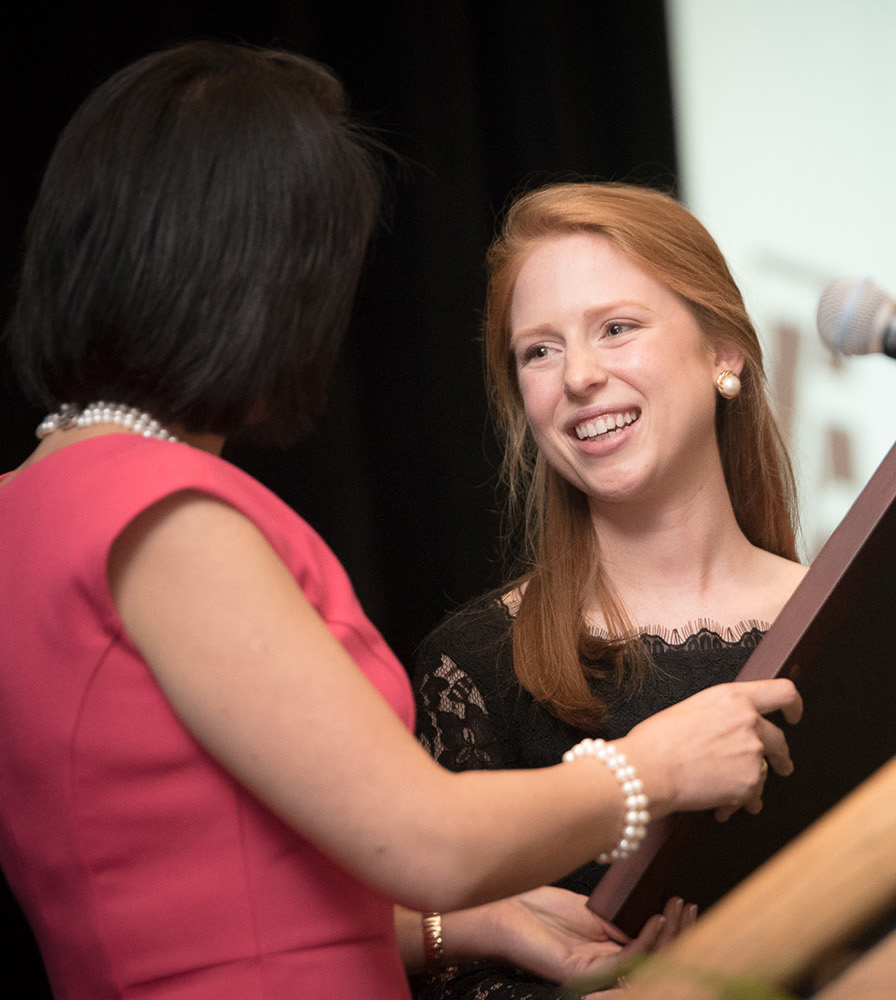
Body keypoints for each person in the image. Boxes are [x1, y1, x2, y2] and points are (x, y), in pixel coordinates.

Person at [0, 42, 800, 1000]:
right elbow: (420, 838)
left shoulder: (35, 503)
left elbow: (199, 886)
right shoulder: (164, 517)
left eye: (617, 327)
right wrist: (649, 770)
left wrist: (469, 925)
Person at [407, 181, 808, 1000]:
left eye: (616, 329)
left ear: (724, 351)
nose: (579, 376)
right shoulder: (476, 665)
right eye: (540, 351)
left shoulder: (857, 624)